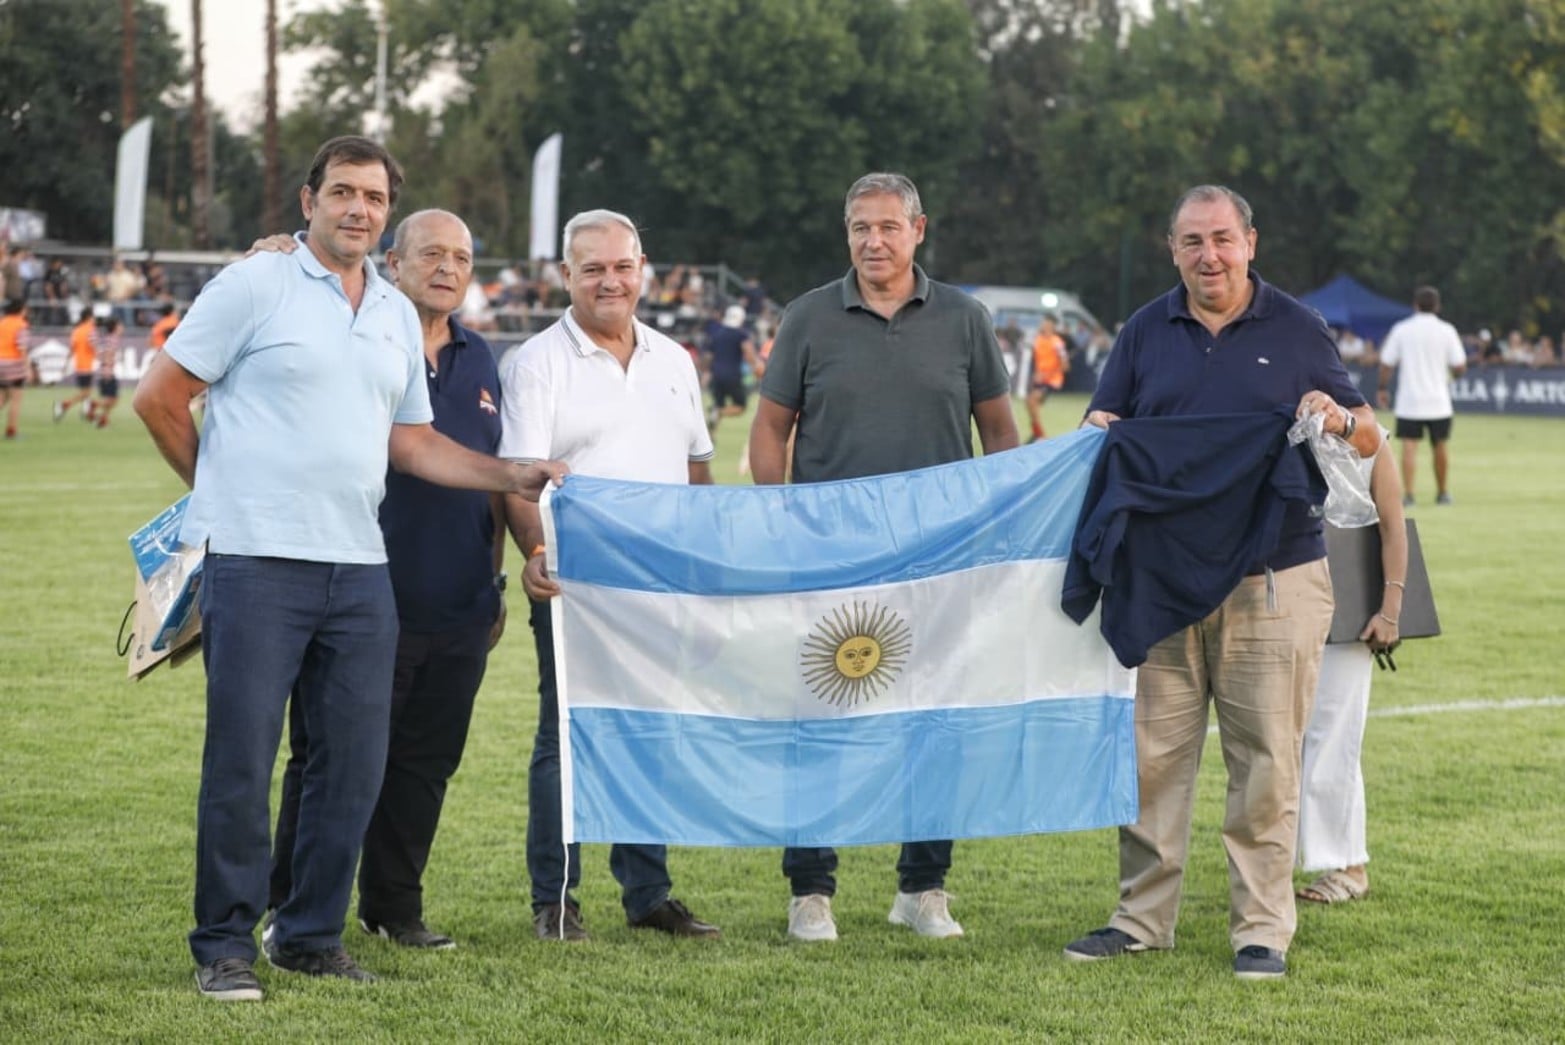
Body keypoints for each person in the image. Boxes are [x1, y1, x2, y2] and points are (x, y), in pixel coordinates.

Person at [132, 136, 564, 1003]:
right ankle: (224, 944)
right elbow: (159, 396)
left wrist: (508, 475)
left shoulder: (394, 312)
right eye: (342, 192)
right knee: (243, 760)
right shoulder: (255, 284)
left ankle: (309, 936)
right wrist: (221, 493)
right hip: (258, 564)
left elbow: (412, 443)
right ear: (309, 201)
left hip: (362, 569)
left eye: (373, 197)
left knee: (353, 763)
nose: (358, 209)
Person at [1062, 184, 1378, 981]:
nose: (1209, 255)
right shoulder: (1143, 330)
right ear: (1172, 249)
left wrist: (1337, 418)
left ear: (1249, 243)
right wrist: (1095, 430)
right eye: (1192, 241)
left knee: (1266, 760)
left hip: (1272, 577)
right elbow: (1101, 426)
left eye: (1222, 239)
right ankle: (1140, 919)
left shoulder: (1297, 327)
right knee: (1151, 760)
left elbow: (1368, 434)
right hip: (1158, 579)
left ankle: (1261, 930)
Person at [748, 172, 1019, 943]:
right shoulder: (807, 317)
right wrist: (781, 518)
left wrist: (994, 525)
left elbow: (999, 431)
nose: (873, 241)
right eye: (859, 227)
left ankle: (922, 887)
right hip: (830, 560)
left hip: (938, 562)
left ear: (917, 229)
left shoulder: (965, 319)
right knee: (820, 725)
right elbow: (769, 429)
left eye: (888, 226)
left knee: (931, 726)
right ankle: (810, 891)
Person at [263, 209, 509, 952]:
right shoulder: (360, 340)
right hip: (359, 595)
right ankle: (289, 907)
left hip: (461, 602)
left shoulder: (481, 358)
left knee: (425, 764)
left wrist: (495, 580)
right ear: (392, 262)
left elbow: (494, 478)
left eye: (461, 256)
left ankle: (393, 908)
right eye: (430, 253)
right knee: (328, 759)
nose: (447, 267)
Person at [499, 208, 721, 944]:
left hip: (658, 582)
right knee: (566, 734)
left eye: (622, 266)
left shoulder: (674, 359)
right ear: (566, 274)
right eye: (592, 268)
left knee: (650, 731)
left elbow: (695, 469)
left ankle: (648, 892)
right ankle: (556, 898)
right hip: (576, 581)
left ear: (642, 270)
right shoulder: (537, 362)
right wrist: (536, 552)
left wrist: (703, 560)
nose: (609, 281)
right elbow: (518, 479)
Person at [1297, 429, 1406, 905]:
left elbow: (1393, 527)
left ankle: (1348, 865)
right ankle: (1282, 859)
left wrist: (1390, 612)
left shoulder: (1371, 439)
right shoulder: (1278, 427)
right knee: (1282, 739)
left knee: (1333, 734)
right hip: (1282, 605)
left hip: (1350, 612)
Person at [1377, 286, 1466, 507]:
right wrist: (1452, 377)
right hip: (1438, 400)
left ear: (1415, 305)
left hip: (1410, 400)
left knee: (1409, 446)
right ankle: (1442, 492)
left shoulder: (1402, 329)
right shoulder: (1447, 330)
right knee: (1440, 446)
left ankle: (1409, 495)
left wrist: (1382, 388)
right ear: (1437, 306)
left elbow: (1386, 363)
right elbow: (1459, 365)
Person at [703, 304, 761, 426]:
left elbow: (708, 357)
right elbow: (749, 353)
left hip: (716, 375)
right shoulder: (741, 334)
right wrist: (756, 367)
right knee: (740, 406)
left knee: (718, 404)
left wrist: (706, 373)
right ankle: (718, 412)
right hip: (732, 375)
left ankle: (712, 430)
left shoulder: (716, 333)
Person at [1025, 313, 1070, 441]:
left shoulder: (1057, 342)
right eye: (1042, 322)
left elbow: (1066, 366)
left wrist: (1047, 374)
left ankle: (1041, 436)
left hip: (1052, 381)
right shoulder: (1038, 340)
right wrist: (1036, 374)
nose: (1042, 325)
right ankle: (1036, 433)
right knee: (1029, 403)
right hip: (1040, 380)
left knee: (1032, 401)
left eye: (1045, 323)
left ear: (1052, 326)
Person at [55, 308, 101, 421]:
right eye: (93, 317)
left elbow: (72, 349)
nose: (94, 319)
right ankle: (64, 405)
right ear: (89, 317)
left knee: (86, 391)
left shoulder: (76, 330)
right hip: (88, 365)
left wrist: (65, 364)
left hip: (79, 365)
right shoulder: (91, 330)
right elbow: (94, 346)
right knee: (85, 392)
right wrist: (102, 357)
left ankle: (86, 412)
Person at [0, 299, 30, 439]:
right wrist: (28, 368)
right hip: (14, 365)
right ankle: (11, 431)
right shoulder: (21, 324)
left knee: (2, 397)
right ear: (20, 309)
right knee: (16, 399)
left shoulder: (2, 322)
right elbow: (22, 348)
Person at [90, 315, 123, 428]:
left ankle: (103, 420)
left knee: (109, 399)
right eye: (120, 326)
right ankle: (94, 405)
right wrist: (108, 370)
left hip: (104, 370)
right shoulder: (113, 339)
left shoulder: (107, 338)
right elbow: (108, 354)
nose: (122, 328)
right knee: (114, 399)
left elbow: (101, 353)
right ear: (115, 327)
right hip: (107, 372)